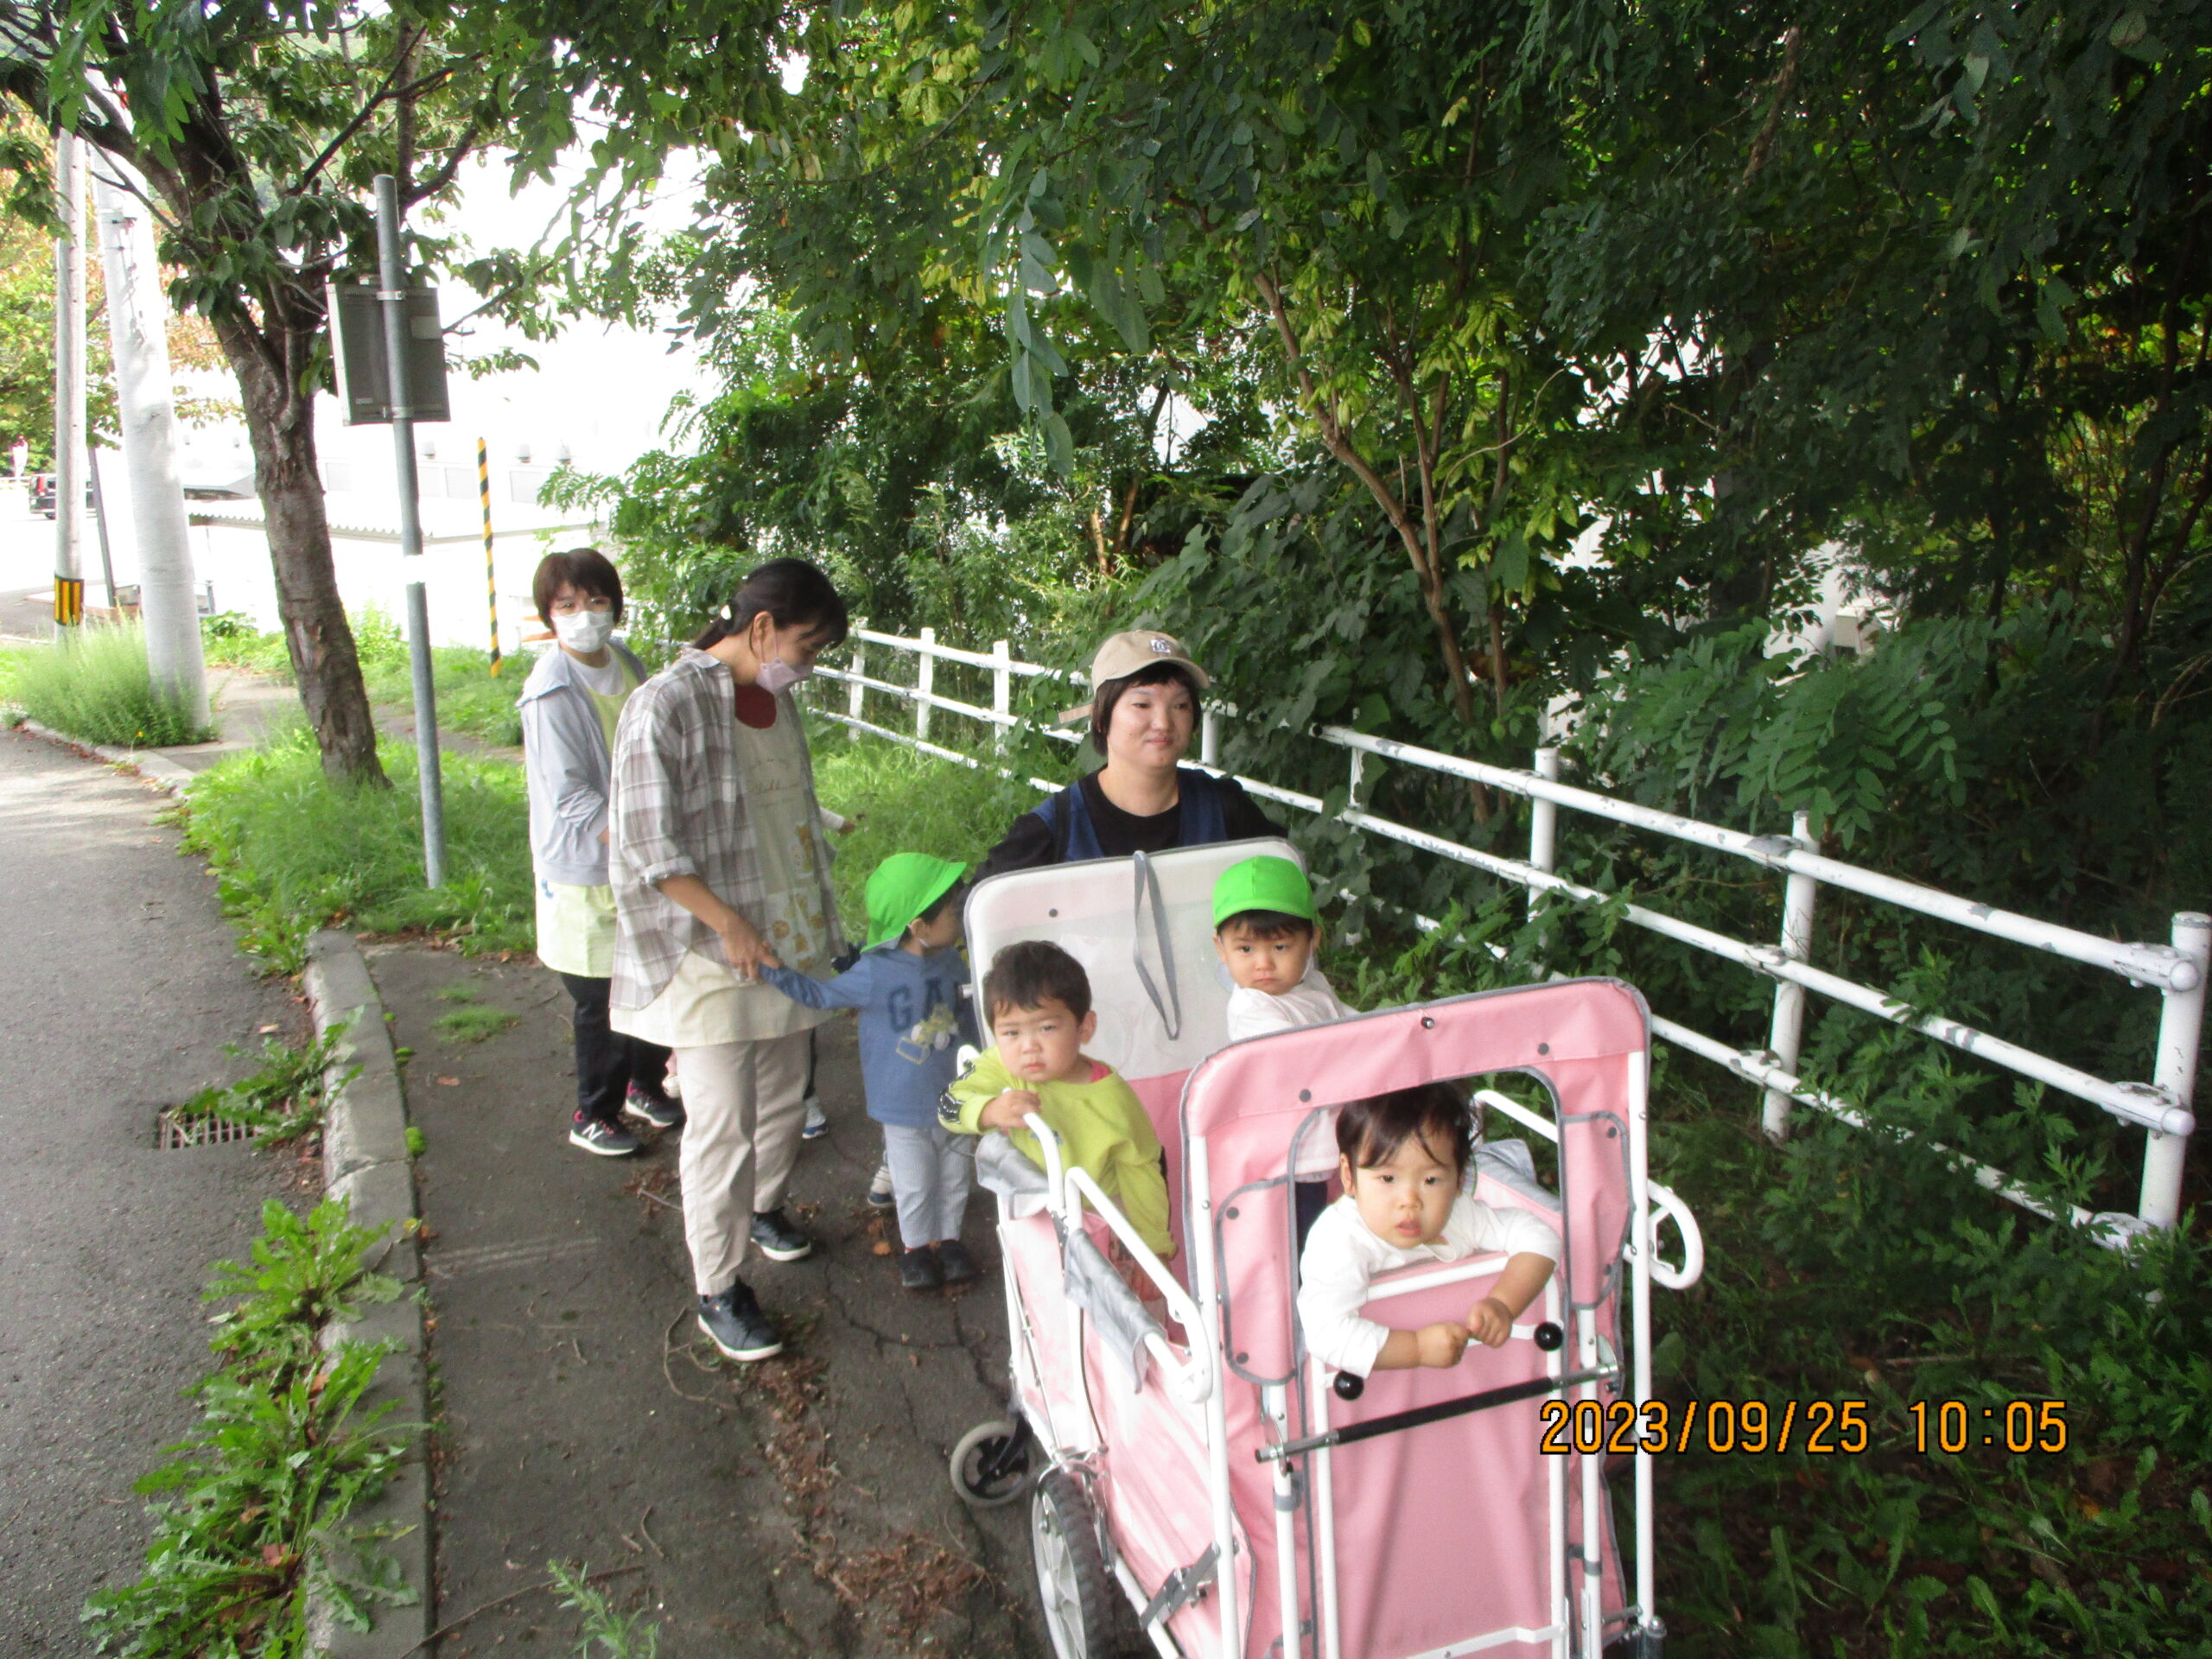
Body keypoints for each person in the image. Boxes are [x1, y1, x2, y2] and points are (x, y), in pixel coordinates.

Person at [608, 558, 849, 1363]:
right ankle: (720, 1286)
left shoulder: (773, 704)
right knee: (721, 1123)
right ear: (760, 630)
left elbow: (779, 802)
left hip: (789, 939)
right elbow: (649, 846)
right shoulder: (664, 705)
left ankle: (765, 1207)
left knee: (787, 1090)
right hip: (709, 951)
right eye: (804, 647)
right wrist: (727, 924)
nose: (804, 666)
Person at [518, 547, 680, 1157]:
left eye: (596, 601)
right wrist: (642, 836)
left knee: (652, 974)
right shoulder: (550, 691)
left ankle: (645, 1083)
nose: (585, 614)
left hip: (637, 851)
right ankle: (595, 1111)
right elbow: (572, 797)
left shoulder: (626, 662)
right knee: (600, 993)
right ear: (548, 616)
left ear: (614, 605)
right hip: (589, 862)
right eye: (568, 605)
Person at [760, 853, 980, 1293]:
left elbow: (970, 1014)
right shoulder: (875, 972)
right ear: (918, 926)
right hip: (902, 1101)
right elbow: (821, 996)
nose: (960, 915)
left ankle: (950, 1240)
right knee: (915, 1182)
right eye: (953, 911)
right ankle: (917, 1249)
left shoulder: (951, 961)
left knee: (956, 1174)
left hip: (956, 1092)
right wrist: (774, 970)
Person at [972, 629, 1281, 883]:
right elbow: (979, 909)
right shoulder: (1054, 830)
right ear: (1100, 718)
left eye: (1180, 706)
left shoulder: (1225, 810)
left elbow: (1284, 886)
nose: (1164, 723)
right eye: (1142, 705)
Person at [1297, 1082, 1559, 1379]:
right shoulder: (1339, 1240)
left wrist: (1504, 1302)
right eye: (1387, 1179)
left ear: (1459, 1179)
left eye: (1431, 1180)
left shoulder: (1458, 1215)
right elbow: (1324, 1332)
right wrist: (1417, 1348)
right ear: (1349, 1176)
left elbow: (1540, 1235)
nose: (1410, 1201)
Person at [942, 941, 1173, 1261]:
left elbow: (1142, 1170)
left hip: (1102, 1218)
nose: (1028, 1047)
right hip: (1037, 1217)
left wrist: (1155, 1249)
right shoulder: (1001, 1067)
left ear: (1085, 1027)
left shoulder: (1111, 1097)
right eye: (1011, 1033)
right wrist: (990, 1110)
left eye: (1047, 1027)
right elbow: (948, 1105)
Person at [1212, 854, 1354, 1043]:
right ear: (1222, 949)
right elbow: (1301, 1054)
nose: (1264, 964)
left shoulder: (1311, 980)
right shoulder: (1253, 1012)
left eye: (1279, 947)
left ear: (1312, 941)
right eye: (1246, 949)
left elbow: (1353, 1023)